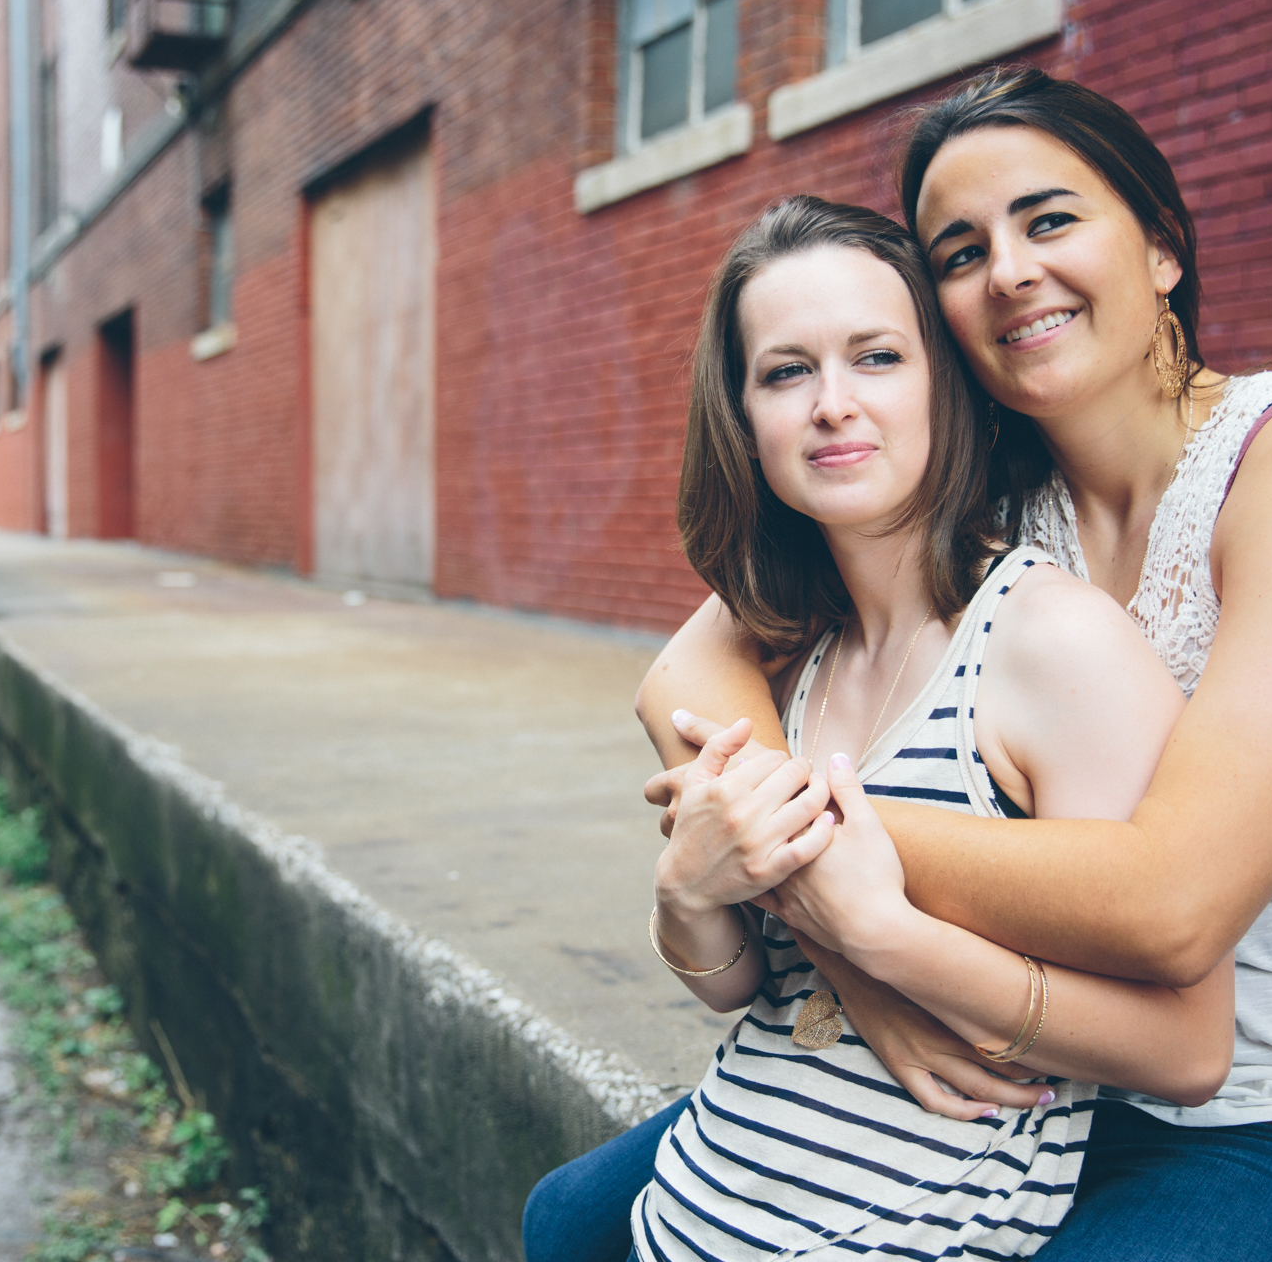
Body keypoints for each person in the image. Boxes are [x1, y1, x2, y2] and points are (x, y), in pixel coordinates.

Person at [620, 67, 1272, 1260]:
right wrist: (843, 945)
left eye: (1048, 220)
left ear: (1162, 248)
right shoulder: (991, 490)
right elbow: (691, 666)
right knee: (587, 1216)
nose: (1008, 272)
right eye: (960, 252)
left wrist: (805, 853)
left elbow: (1172, 904)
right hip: (1062, 1069)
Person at [529, 194, 1235, 1262]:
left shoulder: (1053, 645)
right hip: (693, 1212)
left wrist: (887, 940)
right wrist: (687, 894)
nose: (833, 405)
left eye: (877, 358)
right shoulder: (787, 655)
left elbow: (1187, 1051)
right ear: (742, 418)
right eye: (785, 372)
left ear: (945, 387)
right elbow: (743, 989)